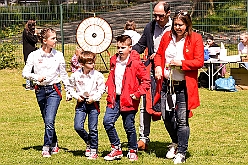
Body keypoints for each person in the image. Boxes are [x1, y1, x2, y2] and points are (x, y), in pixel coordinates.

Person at [154, 10, 204, 164]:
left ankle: (181, 151)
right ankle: (175, 142)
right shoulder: (167, 36)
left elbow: (199, 61)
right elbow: (159, 55)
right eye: (175, 24)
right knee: (166, 117)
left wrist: (181, 63)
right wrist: (157, 67)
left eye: (181, 25)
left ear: (187, 24)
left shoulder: (195, 38)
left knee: (182, 120)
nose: (177, 27)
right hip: (167, 85)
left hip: (183, 86)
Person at [22, 28, 71, 158]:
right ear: (45, 40)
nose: (55, 40)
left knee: (50, 119)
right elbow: (25, 73)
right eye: (53, 38)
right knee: (47, 120)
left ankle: (46, 146)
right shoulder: (34, 55)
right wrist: (35, 77)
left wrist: (69, 91)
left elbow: (64, 75)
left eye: (55, 38)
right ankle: (54, 142)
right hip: (40, 91)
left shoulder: (59, 55)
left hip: (54, 90)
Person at [132, 1, 172, 151]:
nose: (157, 18)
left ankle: (175, 140)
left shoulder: (176, 28)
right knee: (145, 103)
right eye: (155, 15)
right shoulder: (150, 27)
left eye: (160, 16)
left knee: (169, 106)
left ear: (168, 13)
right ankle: (143, 138)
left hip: (169, 71)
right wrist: (129, 50)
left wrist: (161, 56)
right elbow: (141, 45)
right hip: (151, 69)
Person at [103, 35, 150, 161]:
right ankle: (116, 148)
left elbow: (146, 80)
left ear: (130, 48)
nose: (120, 50)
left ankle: (132, 149)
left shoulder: (135, 63)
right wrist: (108, 87)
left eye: (123, 47)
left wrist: (138, 93)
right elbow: (112, 77)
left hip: (129, 99)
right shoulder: (114, 60)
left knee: (128, 126)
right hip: (114, 99)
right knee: (107, 122)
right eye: (118, 47)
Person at [68, 51, 105, 160]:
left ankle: (94, 149)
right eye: (89, 63)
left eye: (93, 62)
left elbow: (101, 89)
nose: (92, 65)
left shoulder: (97, 75)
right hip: (81, 103)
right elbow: (69, 86)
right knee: (78, 126)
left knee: (93, 128)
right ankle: (88, 141)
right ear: (82, 64)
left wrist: (94, 98)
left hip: (93, 103)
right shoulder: (76, 75)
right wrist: (76, 96)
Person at [22, 19, 38, 90]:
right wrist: (35, 34)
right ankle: (28, 85)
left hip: (29, 51)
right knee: (29, 67)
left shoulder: (26, 32)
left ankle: (31, 83)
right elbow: (34, 40)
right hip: (29, 51)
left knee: (32, 67)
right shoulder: (26, 32)